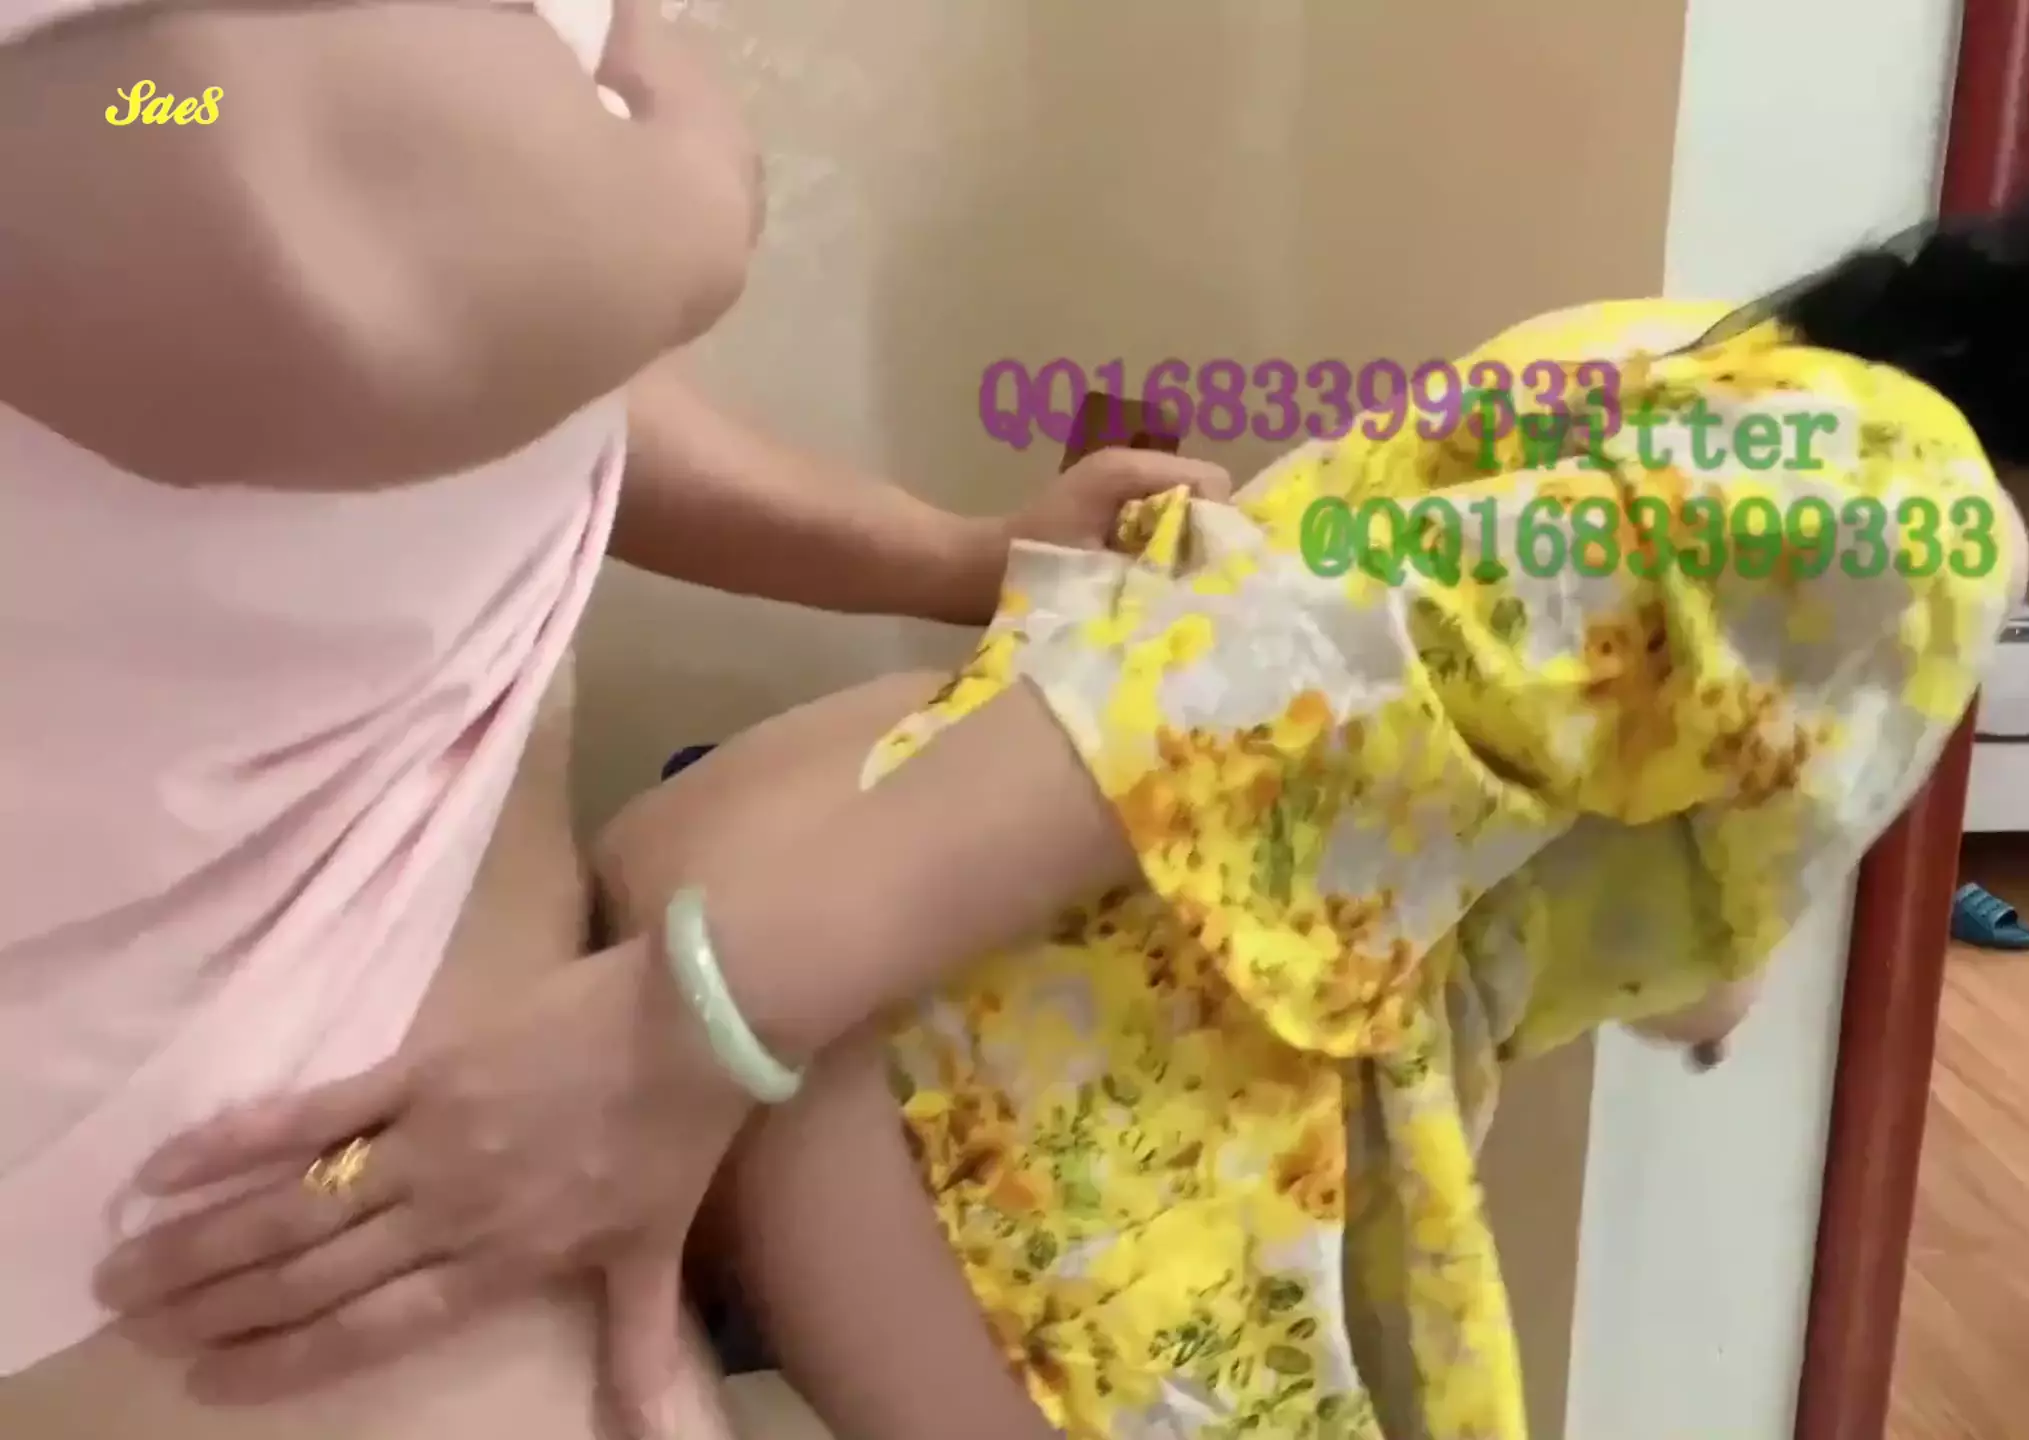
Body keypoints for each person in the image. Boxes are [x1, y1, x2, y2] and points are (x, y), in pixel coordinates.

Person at [89, 133, 2029, 1440]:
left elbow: (1418, 684)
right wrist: (697, 1024)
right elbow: (1292, 676)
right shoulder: (1901, 515)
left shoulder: (1704, 368)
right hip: (987, 1050)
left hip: (848, 884)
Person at [0, 1, 1223, 1438]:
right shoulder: (170, 119)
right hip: (209, 1187)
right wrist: (689, 196)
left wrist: (955, 560)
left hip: (416, 1071)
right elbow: (283, 214)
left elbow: (511, 372)